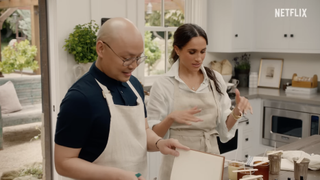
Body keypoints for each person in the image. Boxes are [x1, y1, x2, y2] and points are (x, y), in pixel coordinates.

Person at [54, 17, 189, 180]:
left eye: (138, 57)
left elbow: (143, 131)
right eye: (126, 58)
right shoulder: (79, 98)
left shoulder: (134, 85)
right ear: (101, 49)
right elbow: (63, 163)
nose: (133, 65)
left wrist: (159, 143)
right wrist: (117, 176)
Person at [147, 23, 253, 180]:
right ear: (177, 49)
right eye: (192, 52)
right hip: (177, 161)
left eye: (203, 51)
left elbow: (223, 130)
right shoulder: (163, 84)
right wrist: (171, 118)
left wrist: (236, 112)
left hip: (210, 158)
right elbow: (154, 135)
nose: (199, 58)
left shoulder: (214, 79)